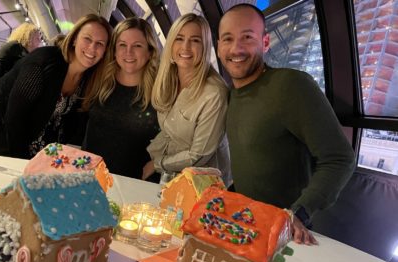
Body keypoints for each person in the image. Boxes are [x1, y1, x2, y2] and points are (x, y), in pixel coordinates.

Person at [217, 4, 355, 245]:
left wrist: (298, 213)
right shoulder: (232, 96)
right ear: (218, 47)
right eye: (227, 39)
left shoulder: (290, 85)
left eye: (247, 37)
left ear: (266, 42)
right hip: (248, 228)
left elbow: (339, 158)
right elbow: (258, 167)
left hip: (292, 235)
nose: (236, 48)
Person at [0, 14, 111, 159]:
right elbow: (15, 118)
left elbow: (71, 126)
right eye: (87, 39)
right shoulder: (45, 61)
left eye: (100, 43)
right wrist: (24, 164)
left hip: (37, 149)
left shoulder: (90, 79)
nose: (92, 48)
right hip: (0, 137)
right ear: (75, 38)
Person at [144, 13, 232, 186]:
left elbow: (198, 155)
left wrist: (156, 164)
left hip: (202, 184)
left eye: (195, 40)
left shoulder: (214, 93)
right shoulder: (168, 78)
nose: (185, 47)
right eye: (180, 38)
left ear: (205, 46)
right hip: (171, 174)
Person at [81, 18, 160, 180]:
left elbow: (176, 138)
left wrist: (157, 163)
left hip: (131, 185)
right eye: (122, 45)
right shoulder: (99, 77)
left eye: (137, 46)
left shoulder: (160, 92)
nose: (128, 52)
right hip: (88, 177)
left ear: (150, 51)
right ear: (114, 50)